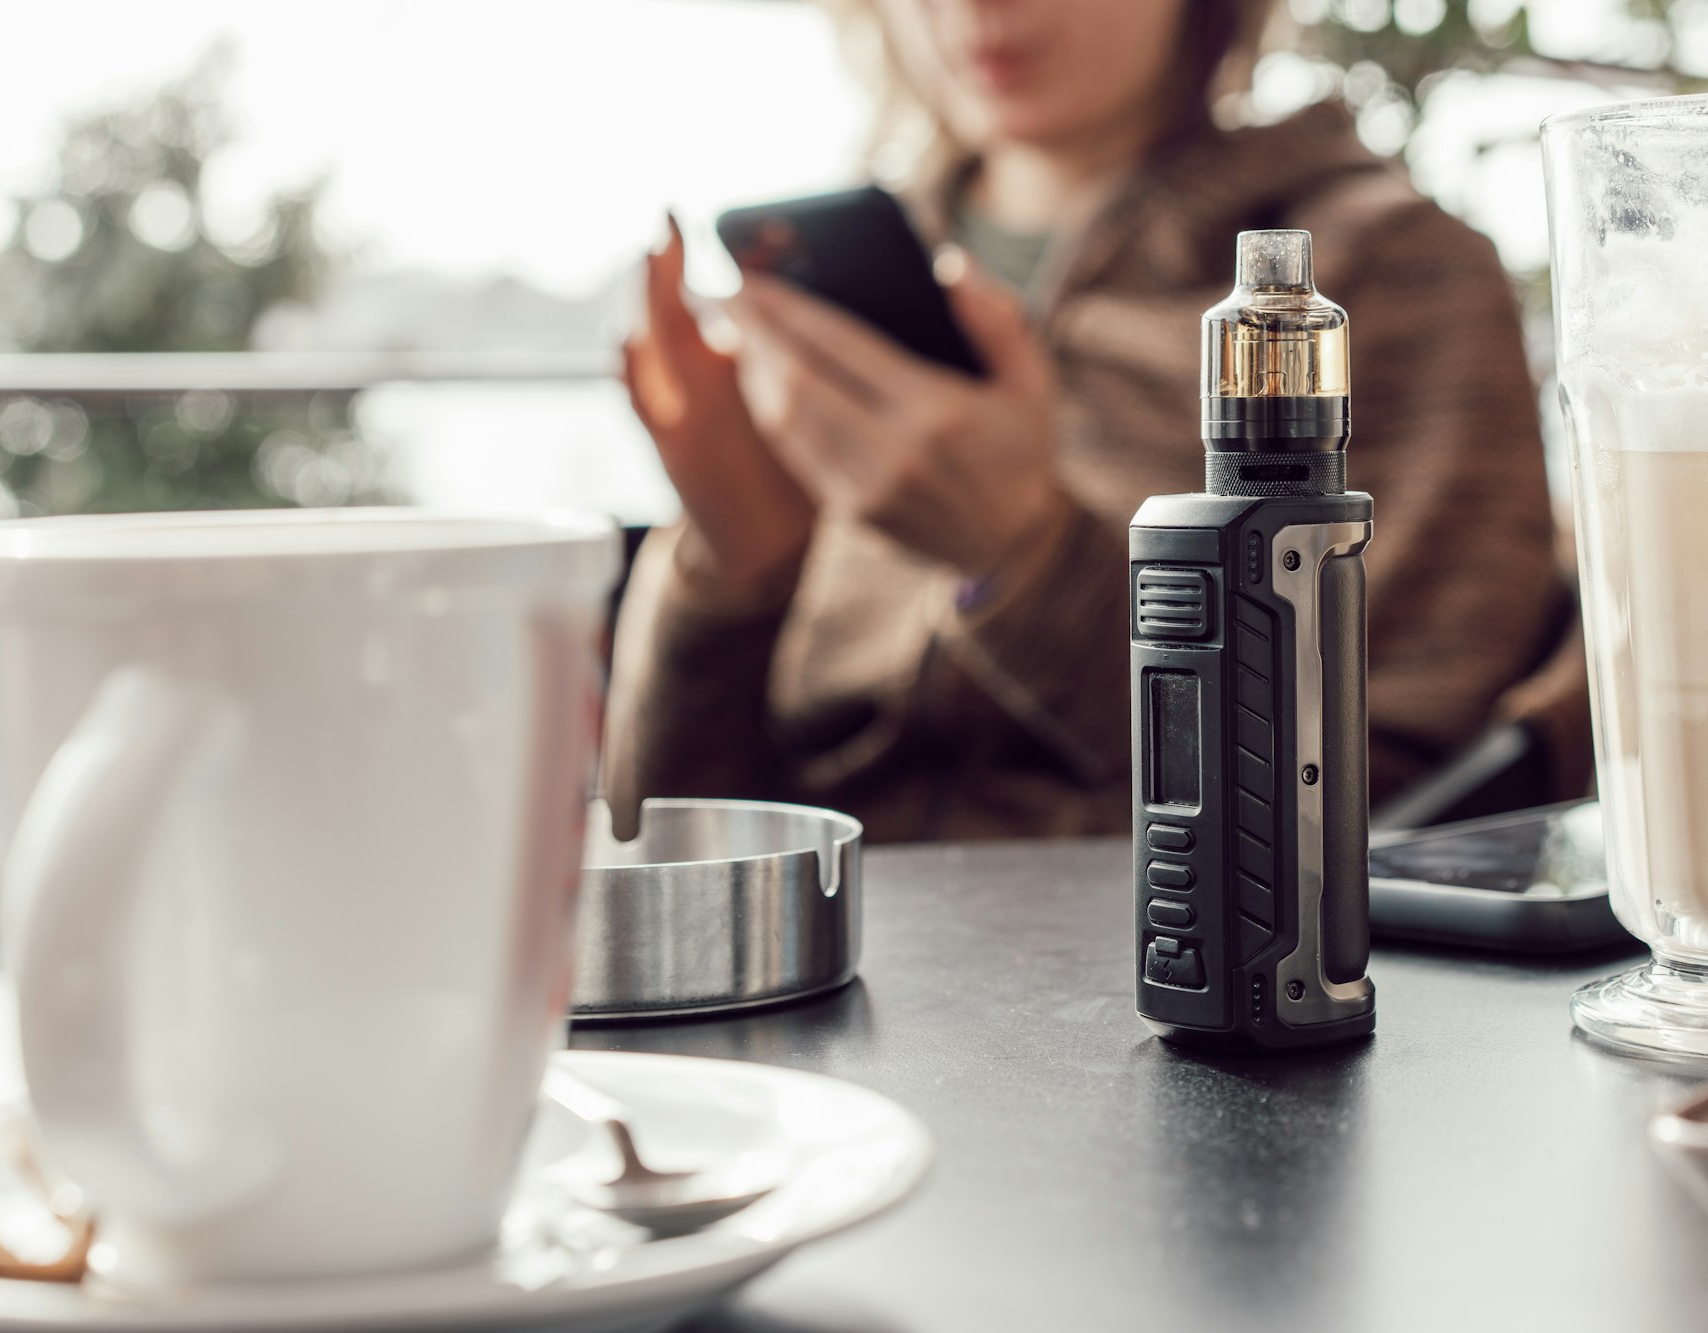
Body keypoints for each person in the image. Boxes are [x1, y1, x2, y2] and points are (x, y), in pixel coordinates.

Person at [602, 0, 1589, 842]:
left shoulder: (1377, 276)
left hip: (1171, 997)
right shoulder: (840, 299)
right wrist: (728, 575)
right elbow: (660, 839)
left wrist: (1030, 560)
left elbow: (1411, 810)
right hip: (825, 982)